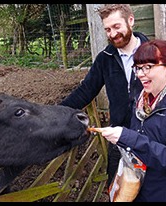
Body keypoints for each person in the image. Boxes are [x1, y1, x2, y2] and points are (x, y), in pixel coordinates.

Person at [99, 39, 166, 202]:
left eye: (148, 67)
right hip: (142, 190)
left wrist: (129, 138)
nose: (140, 74)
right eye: (138, 67)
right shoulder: (141, 100)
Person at [60, 4, 149, 188]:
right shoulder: (105, 58)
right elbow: (85, 91)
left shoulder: (154, 52)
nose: (112, 34)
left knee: (151, 190)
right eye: (107, 29)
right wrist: (57, 112)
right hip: (119, 137)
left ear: (130, 21)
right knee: (116, 190)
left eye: (117, 27)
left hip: (151, 137)